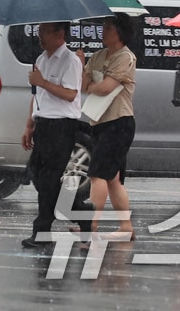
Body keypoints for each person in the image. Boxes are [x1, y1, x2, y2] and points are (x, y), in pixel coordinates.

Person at [22, 21, 87, 249]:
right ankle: (82, 213)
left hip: (62, 125)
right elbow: (38, 95)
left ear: (60, 34)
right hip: (44, 123)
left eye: (44, 32)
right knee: (38, 176)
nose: (40, 37)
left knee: (49, 178)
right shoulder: (41, 59)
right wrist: (30, 124)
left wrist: (43, 82)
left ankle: (42, 231)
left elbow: (70, 94)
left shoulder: (71, 61)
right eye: (39, 32)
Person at [82, 14, 138, 244]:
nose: (103, 31)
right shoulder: (97, 56)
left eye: (108, 28)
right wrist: (82, 66)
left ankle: (90, 225)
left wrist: (93, 83)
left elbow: (106, 87)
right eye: (103, 27)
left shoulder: (125, 57)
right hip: (100, 122)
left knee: (97, 174)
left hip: (119, 122)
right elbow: (84, 86)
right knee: (113, 179)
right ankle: (126, 227)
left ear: (120, 32)